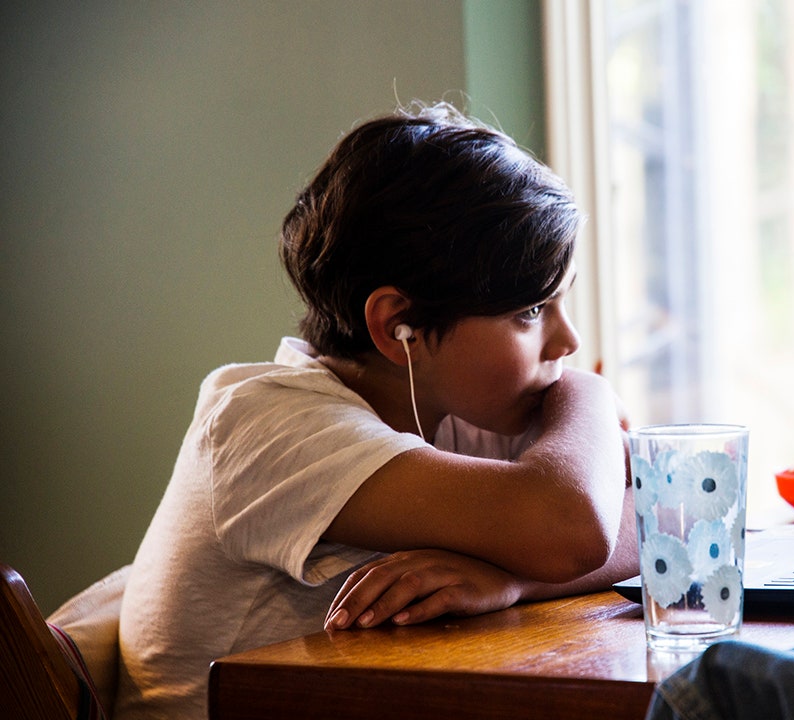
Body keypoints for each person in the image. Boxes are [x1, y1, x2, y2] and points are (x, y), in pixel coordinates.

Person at [114, 101, 637, 720]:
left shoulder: (458, 404)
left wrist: (513, 581)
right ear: (399, 326)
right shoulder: (262, 427)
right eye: (529, 312)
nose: (567, 343)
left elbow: (673, 522)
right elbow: (573, 526)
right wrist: (591, 394)